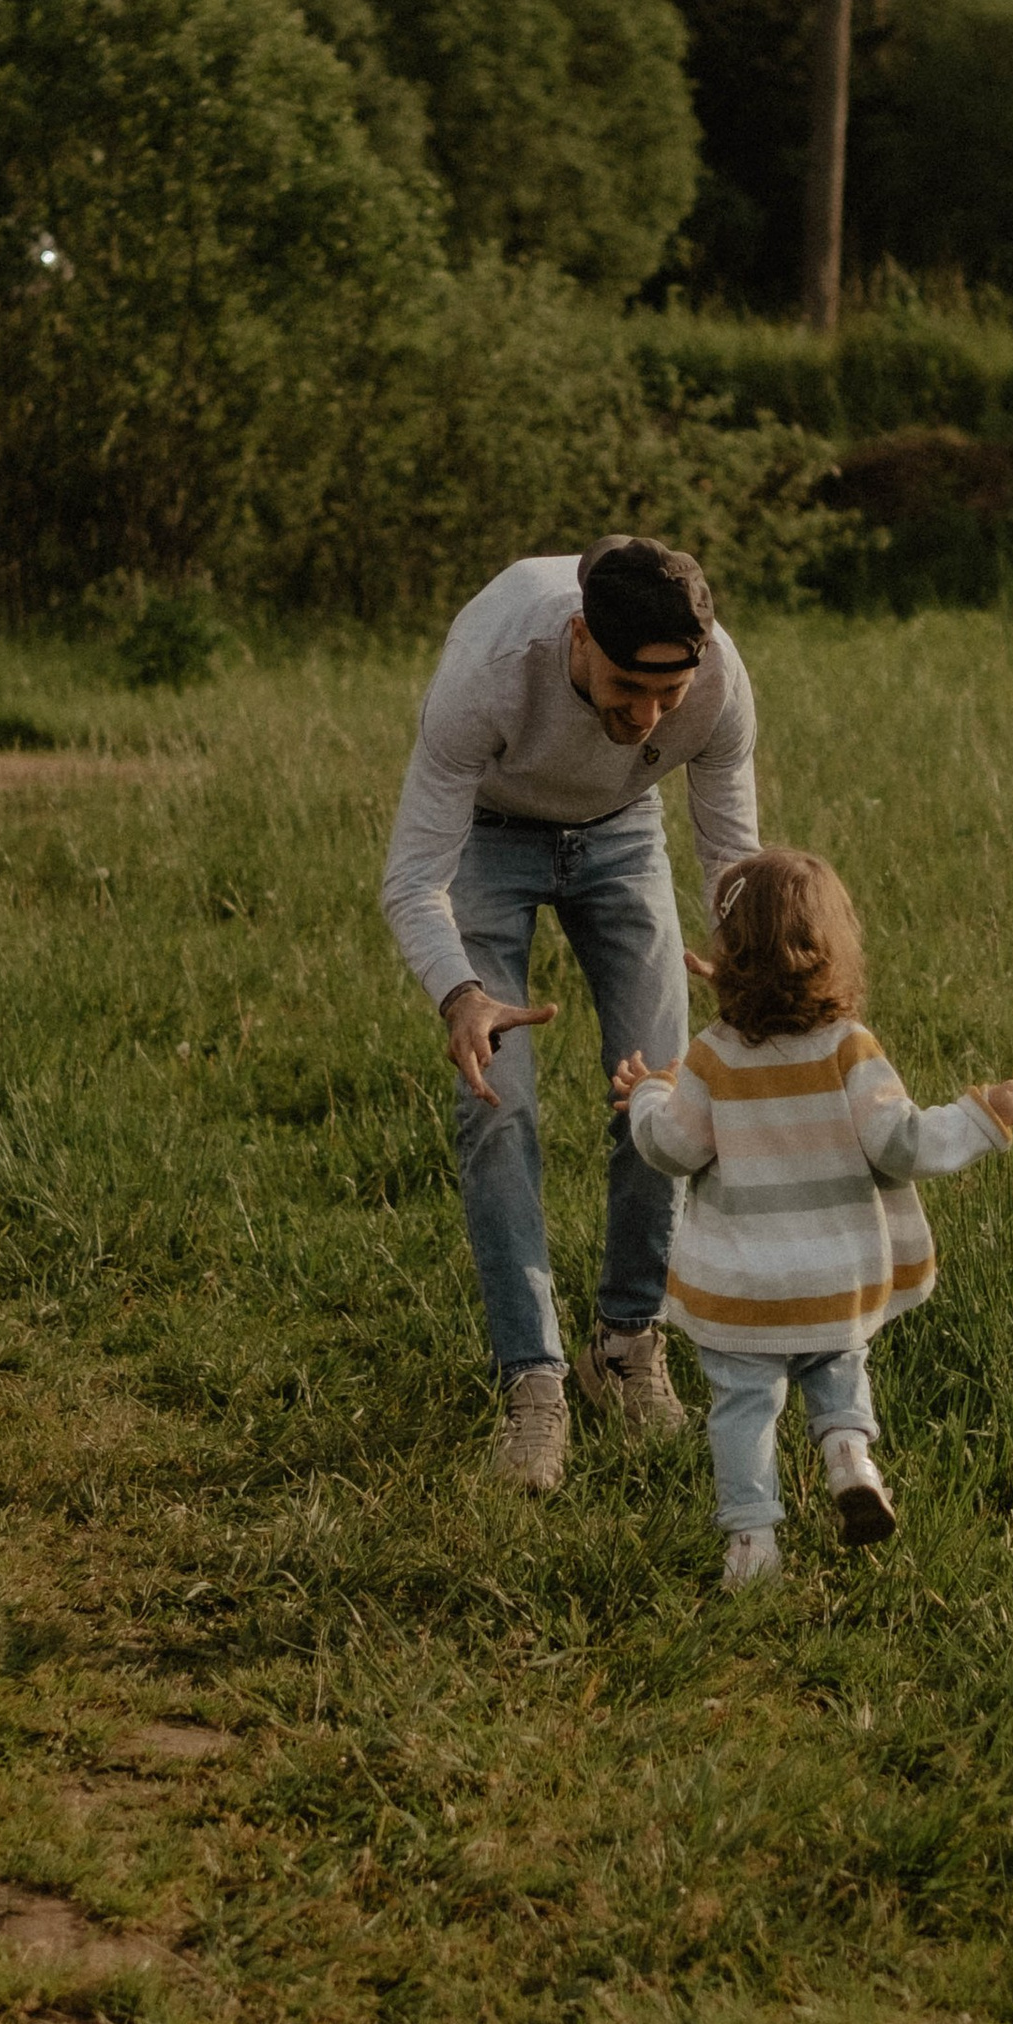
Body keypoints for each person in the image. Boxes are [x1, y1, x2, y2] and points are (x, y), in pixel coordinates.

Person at [381, 536, 759, 1491]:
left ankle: (626, 1349)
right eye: (629, 688)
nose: (646, 716)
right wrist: (461, 995)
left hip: (624, 837)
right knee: (496, 1105)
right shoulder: (492, 672)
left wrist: (749, 957)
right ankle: (534, 1386)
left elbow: (730, 853)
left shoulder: (716, 685)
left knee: (661, 1097)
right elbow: (414, 876)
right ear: (581, 638)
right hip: (490, 840)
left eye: (667, 698)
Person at [613, 846, 1013, 1590]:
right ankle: (848, 1455)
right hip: (834, 1280)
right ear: (832, 952)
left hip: (741, 1292)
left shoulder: (712, 1059)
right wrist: (979, 1118)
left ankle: (752, 1544)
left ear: (726, 960)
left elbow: (671, 1148)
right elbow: (901, 1143)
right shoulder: (849, 1050)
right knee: (838, 1366)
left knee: (742, 1409)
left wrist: (649, 1091)